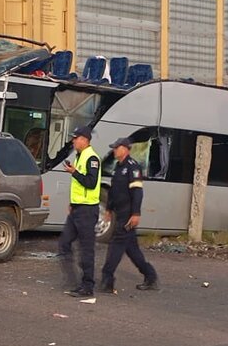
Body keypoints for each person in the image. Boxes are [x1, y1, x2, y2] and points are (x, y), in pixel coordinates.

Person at [99, 138, 158, 293]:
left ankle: (107, 279)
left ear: (125, 149)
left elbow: (137, 192)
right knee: (132, 250)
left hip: (127, 214)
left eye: (116, 148)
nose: (114, 151)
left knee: (116, 245)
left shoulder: (133, 167)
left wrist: (136, 213)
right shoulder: (118, 167)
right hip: (119, 212)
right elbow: (114, 191)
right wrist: (109, 210)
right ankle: (150, 276)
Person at [57, 124, 101, 298]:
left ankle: (87, 285)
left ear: (84, 139)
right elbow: (78, 186)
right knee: (64, 243)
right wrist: (72, 203)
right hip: (77, 208)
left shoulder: (92, 158)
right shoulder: (79, 156)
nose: (73, 141)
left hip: (88, 210)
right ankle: (73, 280)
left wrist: (74, 172)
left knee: (86, 248)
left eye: (76, 138)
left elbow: (90, 183)